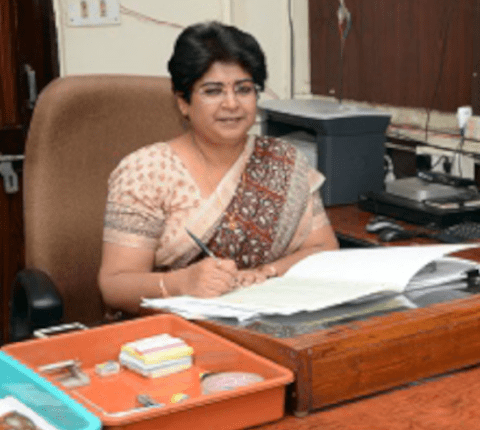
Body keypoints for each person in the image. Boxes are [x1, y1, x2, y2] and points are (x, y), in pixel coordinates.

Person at [98, 21, 339, 314]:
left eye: (244, 89)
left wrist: (266, 272)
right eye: (213, 91)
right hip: (173, 328)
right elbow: (115, 285)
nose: (232, 104)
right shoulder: (146, 172)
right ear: (183, 102)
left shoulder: (284, 161)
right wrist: (181, 283)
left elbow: (323, 249)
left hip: (272, 319)